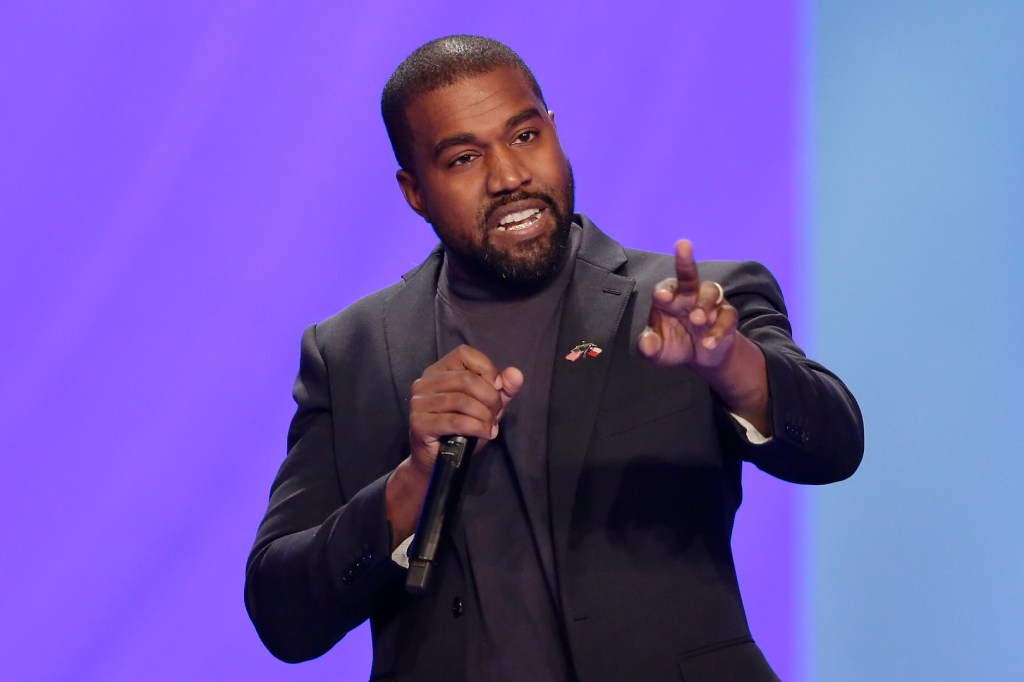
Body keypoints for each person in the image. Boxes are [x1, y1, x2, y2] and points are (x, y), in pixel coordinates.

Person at [245, 35, 863, 682]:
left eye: (524, 137)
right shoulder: (352, 352)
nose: (510, 177)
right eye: (462, 158)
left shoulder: (692, 302)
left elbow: (835, 445)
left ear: (554, 133)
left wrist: (730, 365)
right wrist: (411, 482)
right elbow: (282, 616)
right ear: (415, 191)